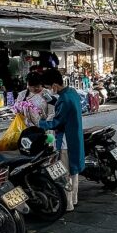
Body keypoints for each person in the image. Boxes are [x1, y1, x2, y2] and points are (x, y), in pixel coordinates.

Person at [39, 68, 85, 211]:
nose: (48, 90)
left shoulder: (64, 100)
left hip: (66, 141)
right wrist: (52, 100)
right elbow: (63, 107)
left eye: (48, 87)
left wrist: (39, 123)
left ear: (54, 85)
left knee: (64, 174)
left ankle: (67, 204)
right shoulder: (71, 92)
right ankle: (73, 200)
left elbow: (56, 122)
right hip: (75, 138)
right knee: (73, 172)